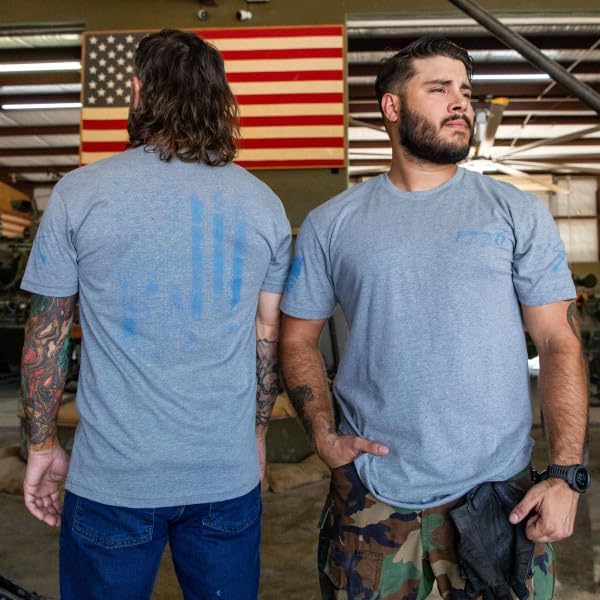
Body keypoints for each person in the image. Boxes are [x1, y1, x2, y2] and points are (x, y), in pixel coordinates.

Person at [280, 37, 588, 599]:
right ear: (392, 107)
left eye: (465, 91)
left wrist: (566, 475)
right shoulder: (332, 223)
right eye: (440, 89)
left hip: (499, 499)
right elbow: (298, 339)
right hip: (373, 502)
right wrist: (322, 435)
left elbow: (557, 341)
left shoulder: (514, 211)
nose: (460, 102)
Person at [20, 29, 291, 599]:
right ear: (220, 101)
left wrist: (41, 445)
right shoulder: (264, 205)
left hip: (113, 480)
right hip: (224, 474)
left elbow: (46, 334)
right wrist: (257, 432)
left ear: (138, 92)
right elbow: (267, 334)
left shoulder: (79, 193)